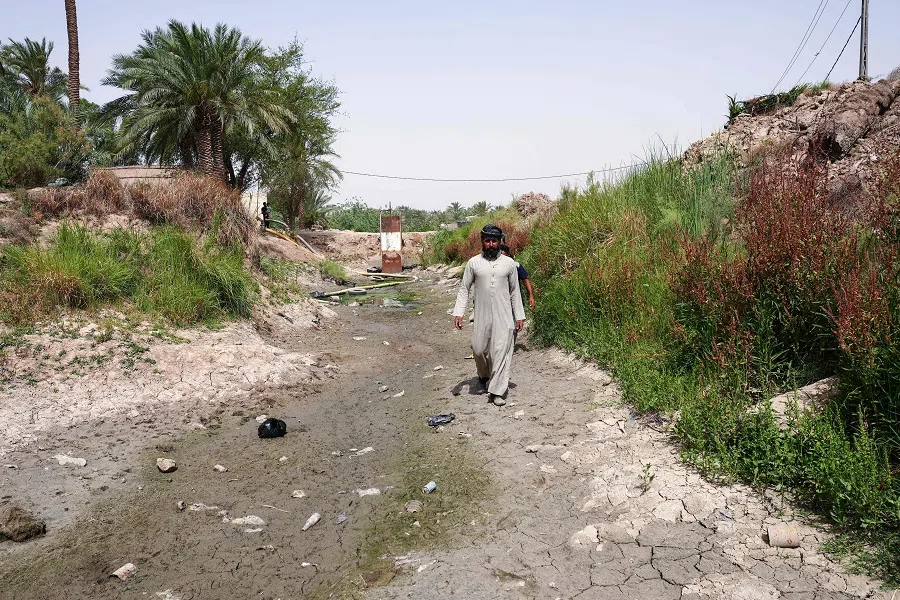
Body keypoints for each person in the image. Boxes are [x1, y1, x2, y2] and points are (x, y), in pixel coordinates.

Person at [453, 224, 526, 406]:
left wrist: (519, 316)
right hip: (481, 314)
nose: (491, 244)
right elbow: (464, 289)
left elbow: (515, 291)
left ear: (500, 242)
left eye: (495, 241)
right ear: (482, 242)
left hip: (504, 315)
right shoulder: (473, 263)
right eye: (488, 241)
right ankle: (484, 375)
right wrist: (458, 313)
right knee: (479, 350)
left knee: (501, 351)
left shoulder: (509, 264)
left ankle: (497, 391)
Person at [500, 243, 536, 310]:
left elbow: (526, 280)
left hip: (516, 301)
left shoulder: (516, 266)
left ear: (508, 255)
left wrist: (531, 296)